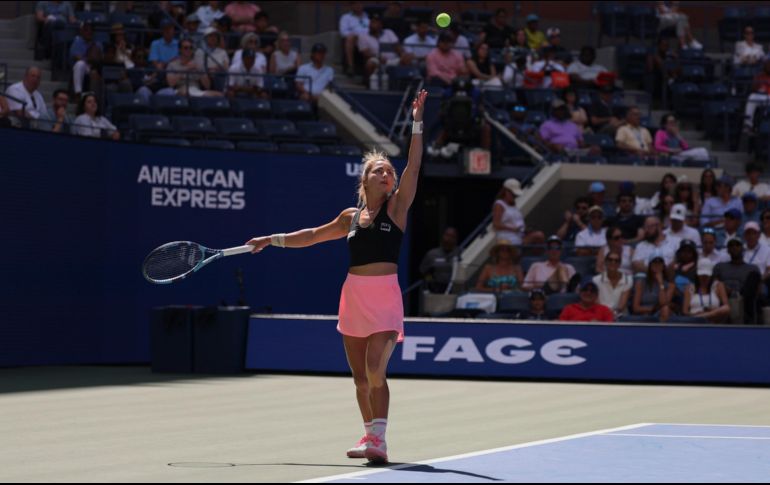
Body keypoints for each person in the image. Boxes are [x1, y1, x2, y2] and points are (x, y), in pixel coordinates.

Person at [246, 90, 428, 464]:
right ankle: (369, 437)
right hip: (354, 297)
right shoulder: (349, 217)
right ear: (365, 181)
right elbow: (312, 235)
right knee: (361, 379)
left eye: (389, 172)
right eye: (379, 170)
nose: (387, 174)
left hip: (385, 298)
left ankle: (380, 439)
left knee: (377, 367)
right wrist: (270, 240)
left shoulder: (397, 208)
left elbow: (414, 164)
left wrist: (417, 122)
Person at [714, 238, 761, 324]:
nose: (734, 247)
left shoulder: (752, 268)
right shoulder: (720, 267)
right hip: (724, 298)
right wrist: (724, 290)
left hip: (745, 299)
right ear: (728, 250)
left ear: (743, 248)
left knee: (754, 276)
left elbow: (758, 290)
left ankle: (749, 322)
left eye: (737, 245)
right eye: (731, 246)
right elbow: (713, 285)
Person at [492, 178, 545, 248]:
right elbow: (496, 224)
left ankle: (537, 257)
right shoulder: (499, 204)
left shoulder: (513, 206)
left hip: (519, 237)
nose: (514, 197)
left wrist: (524, 230)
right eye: (513, 195)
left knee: (539, 236)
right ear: (506, 192)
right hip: (508, 239)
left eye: (515, 196)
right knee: (538, 235)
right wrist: (512, 229)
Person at [681, 259, 730, 323]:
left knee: (726, 308)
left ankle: (703, 316)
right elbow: (685, 311)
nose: (704, 278)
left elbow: (726, 307)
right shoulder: (689, 287)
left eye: (706, 276)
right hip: (694, 319)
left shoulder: (718, 285)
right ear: (697, 274)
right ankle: (700, 317)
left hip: (714, 318)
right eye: (702, 276)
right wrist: (695, 314)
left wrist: (712, 311)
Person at [631, 254, 675, 322]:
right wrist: (653, 309)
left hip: (660, 313)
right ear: (650, 266)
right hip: (645, 313)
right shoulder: (641, 283)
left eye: (660, 263)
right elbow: (635, 307)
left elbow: (663, 303)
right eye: (654, 263)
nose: (657, 265)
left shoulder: (670, 285)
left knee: (665, 309)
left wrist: (660, 283)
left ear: (663, 266)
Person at [358, 13, 403, 80]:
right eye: (371, 22)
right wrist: (378, 58)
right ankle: (370, 85)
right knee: (370, 63)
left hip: (393, 60)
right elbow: (365, 52)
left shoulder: (389, 32)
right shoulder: (363, 36)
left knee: (407, 59)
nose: (371, 24)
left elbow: (397, 46)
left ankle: (403, 86)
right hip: (376, 59)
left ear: (380, 24)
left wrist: (403, 56)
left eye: (375, 22)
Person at [419, 227, 460, 293]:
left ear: (456, 239)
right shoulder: (432, 254)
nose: (449, 238)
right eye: (447, 235)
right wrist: (430, 282)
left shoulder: (460, 253)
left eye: (452, 236)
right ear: (443, 236)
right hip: (435, 290)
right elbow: (423, 272)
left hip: (454, 290)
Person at [593, 252, 634, 316]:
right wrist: (606, 314)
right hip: (601, 315)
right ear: (605, 262)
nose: (613, 262)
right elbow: (596, 303)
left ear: (620, 264)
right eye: (610, 260)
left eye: (616, 261)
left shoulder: (628, 280)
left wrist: (613, 314)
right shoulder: (595, 280)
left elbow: (621, 306)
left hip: (621, 316)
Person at [70, 21, 103, 99]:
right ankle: (78, 93)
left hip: (94, 67)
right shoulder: (78, 41)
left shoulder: (98, 44)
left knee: (95, 73)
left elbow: (101, 58)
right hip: (84, 65)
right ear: (83, 31)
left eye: (91, 30)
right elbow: (75, 56)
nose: (89, 32)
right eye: (87, 30)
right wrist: (88, 59)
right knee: (79, 64)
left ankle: (93, 98)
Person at [339, 1, 370, 75]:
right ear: (351, 6)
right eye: (355, 4)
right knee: (350, 38)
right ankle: (350, 66)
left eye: (360, 3)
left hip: (368, 38)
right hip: (355, 40)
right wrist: (357, 35)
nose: (358, 5)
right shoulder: (346, 17)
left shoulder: (368, 17)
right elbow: (343, 32)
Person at [743, 58, 770, 131]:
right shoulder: (759, 76)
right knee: (751, 97)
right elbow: (753, 88)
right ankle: (748, 124)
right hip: (760, 95)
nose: (769, 67)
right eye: (767, 65)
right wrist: (758, 86)